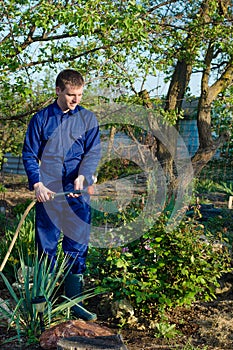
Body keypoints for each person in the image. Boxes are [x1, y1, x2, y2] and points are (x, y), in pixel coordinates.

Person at [22, 69, 101, 321]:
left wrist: (84, 175)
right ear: (58, 91)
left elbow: (92, 153)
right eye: (70, 95)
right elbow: (29, 154)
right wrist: (37, 185)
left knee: (76, 246)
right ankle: (43, 306)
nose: (76, 100)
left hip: (77, 195)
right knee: (46, 248)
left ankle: (73, 302)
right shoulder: (41, 119)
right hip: (49, 194)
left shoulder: (88, 119)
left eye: (79, 94)